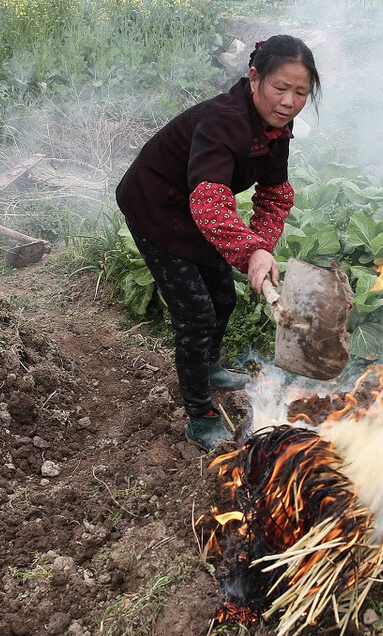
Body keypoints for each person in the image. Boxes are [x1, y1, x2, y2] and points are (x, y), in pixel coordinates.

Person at [115, 34, 320, 450]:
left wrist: (259, 248)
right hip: (155, 206)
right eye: (280, 88)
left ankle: (208, 366)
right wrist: (251, 251)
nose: (288, 102)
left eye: (301, 92)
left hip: (197, 211)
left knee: (223, 299)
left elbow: (275, 193)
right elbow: (209, 201)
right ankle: (200, 415)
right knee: (196, 315)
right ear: (253, 77)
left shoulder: (276, 128)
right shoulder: (222, 121)